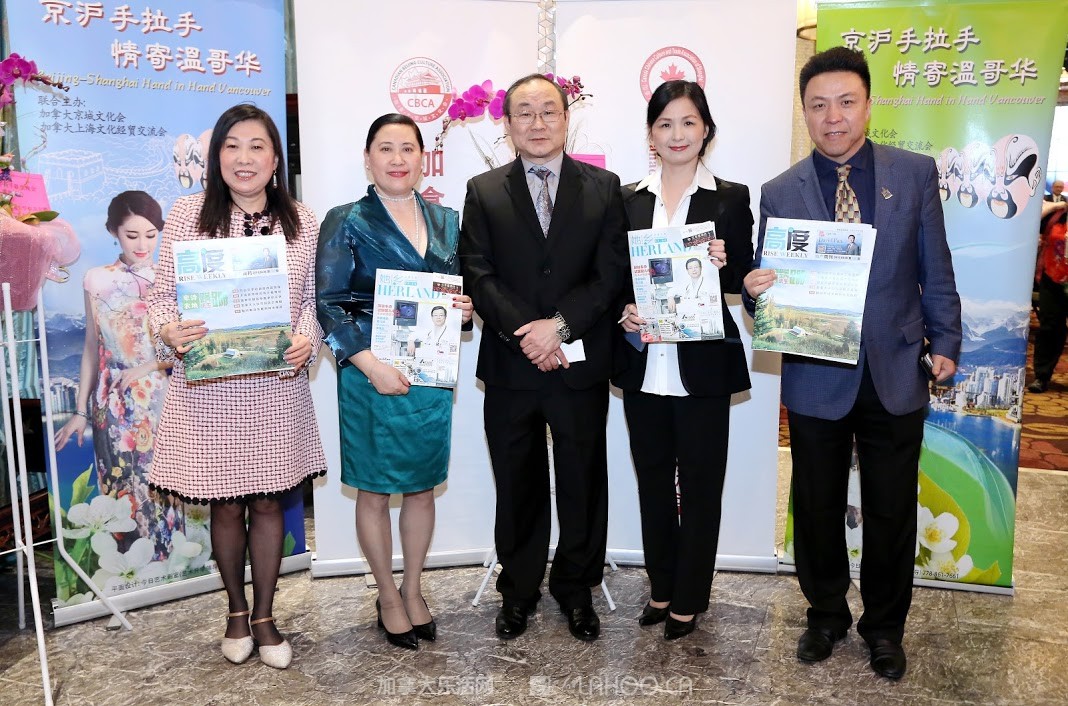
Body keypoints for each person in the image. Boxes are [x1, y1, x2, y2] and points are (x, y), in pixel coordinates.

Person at [743, 47, 961, 680]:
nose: (832, 117)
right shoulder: (780, 191)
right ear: (804, 112)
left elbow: (936, 266)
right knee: (816, 503)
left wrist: (947, 340)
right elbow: (769, 290)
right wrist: (756, 294)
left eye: (845, 102)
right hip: (817, 371)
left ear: (868, 105)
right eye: (818, 105)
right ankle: (826, 614)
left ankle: (885, 628)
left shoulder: (913, 175)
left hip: (896, 367)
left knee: (891, 507)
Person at [147, 104, 326, 670]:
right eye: (232, 146)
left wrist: (307, 337)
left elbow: (313, 302)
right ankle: (235, 610)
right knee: (225, 504)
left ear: (275, 159)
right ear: (215, 157)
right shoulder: (187, 213)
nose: (244, 158)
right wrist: (168, 331)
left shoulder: (303, 219)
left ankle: (266, 616)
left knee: (269, 501)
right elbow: (161, 298)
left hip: (274, 385)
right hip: (209, 388)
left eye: (257, 146)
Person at [459, 73, 629, 643]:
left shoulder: (604, 187)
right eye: (525, 113)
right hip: (512, 366)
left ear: (566, 118)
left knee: (583, 479)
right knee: (518, 482)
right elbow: (477, 273)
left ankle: (576, 589)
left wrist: (557, 328)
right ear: (507, 124)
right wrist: (527, 335)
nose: (537, 123)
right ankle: (519, 590)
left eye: (548, 111)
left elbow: (610, 274)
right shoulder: (483, 190)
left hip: (579, 363)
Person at [316, 113, 473, 650]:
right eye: (385, 148)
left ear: (423, 158)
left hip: (429, 375)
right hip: (370, 375)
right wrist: (371, 366)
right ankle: (386, 595)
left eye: (408, 148)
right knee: (376, 490)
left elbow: (454, 291)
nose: (398, 159)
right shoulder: (345, 219)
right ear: (368, 159)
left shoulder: (447, 219)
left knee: (422, 487)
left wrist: (465, 310)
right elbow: (329, 304)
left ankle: (413, 588)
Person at [615, 80, 753, 640]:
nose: (677, 134)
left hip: (703, 367)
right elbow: (612, 279)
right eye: (665, 123)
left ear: (706, 130)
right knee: (651, 481)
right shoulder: (627, 199)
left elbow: (744, 276)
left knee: (701, 485)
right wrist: (622, 311)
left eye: (689, 122)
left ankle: (690, 597)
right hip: (644, 365)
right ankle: (661, 587)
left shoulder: (730, 198)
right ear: (651, 134)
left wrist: (727, 262)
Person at [54, 191, 181, 558]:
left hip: (166, 400)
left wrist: (148, 366)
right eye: (132, 235)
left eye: (151, 235)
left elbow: (192, 347)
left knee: (168, 491)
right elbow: (92, 347)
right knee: (121, 489)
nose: (142, 245)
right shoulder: (96, 279)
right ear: (113, 232)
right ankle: (132, 571)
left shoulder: (172, 278)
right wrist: (80, 411)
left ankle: (176, 566)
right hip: (113, 407)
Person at [1029, 203, 1068, 393]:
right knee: (1050, 328)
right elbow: (1030, 226)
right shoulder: (1057, 215)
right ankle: (1042, 376)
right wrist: (1051, 209)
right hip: (1052, 279)